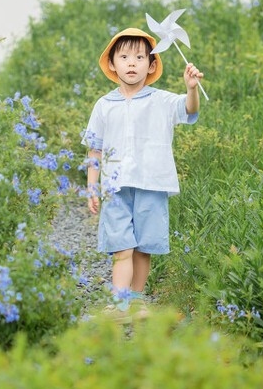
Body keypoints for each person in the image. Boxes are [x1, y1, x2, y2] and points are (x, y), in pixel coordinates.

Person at [82, 26, 203, 315]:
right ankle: (120, 303)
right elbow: (95, 149)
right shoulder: (104, 105)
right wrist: (92, 186)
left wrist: (191, 89)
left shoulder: (160, 100)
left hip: (152, 182)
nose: (132, 63)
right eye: (124, 57)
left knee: (143, 246)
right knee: (121, 246)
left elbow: (188, 109)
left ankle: (136, 300)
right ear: (112, 64)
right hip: (116, 186)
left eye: (140, 57)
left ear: (151, 65)